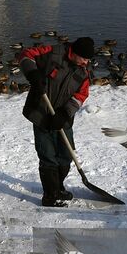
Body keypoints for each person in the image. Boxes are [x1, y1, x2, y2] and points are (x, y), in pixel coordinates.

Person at [18, 36, 95, 206]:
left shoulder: (83, 72)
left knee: (66, 155)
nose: (86, 62)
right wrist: (33, 73)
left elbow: (81, 96)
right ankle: (50, 196)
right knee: (48, 157)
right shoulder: (53, 53)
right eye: (84, 57)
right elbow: (26, 55)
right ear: (74, 53)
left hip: (62, 119)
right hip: (41, 113)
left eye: (88, 59)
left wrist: (65, 113)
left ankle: (58, 187)